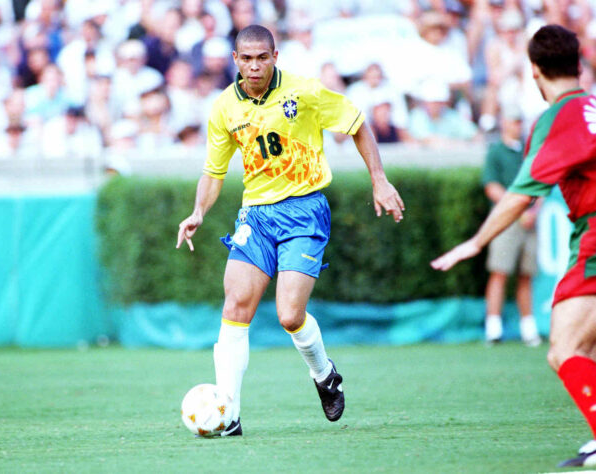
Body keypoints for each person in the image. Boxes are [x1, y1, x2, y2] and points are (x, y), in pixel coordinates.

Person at [176, 24, 404, 436]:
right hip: (257, 216)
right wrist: (198, 212)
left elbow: (356, 123)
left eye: (262, 57)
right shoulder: (224, 108)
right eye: (246, 58)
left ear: (275, 57)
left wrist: (379, 179)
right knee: (235, 306)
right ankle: (229, 416)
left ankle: (324, 374)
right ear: (235, 61)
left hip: (304, 211)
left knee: (288, 314)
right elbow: (213, 173)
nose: (254, 65)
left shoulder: (305, 92)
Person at [431, 25, 596, 467]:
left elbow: (522, 195)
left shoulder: (557, 116)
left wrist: (475, 242)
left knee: (565, 348)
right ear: (579, 66)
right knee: (588, 346)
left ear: (536, 72)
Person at [481, 103, 541, 346]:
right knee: (500, 272)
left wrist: (534, 210)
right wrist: (515, 210)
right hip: (505, 221)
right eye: (514, 121)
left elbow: (541, 184)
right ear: (504, 123)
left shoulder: (528, 150)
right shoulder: (496, 151)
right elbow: (491, 186)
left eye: (520, 121)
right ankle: (493, 328)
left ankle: (528, 328)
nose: (518, 126)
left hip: (529, 220)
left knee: (526, 275)